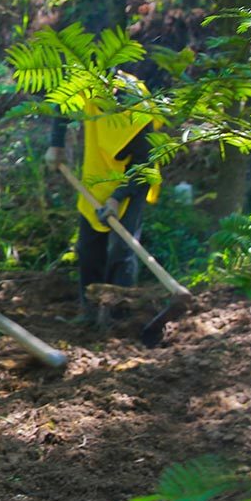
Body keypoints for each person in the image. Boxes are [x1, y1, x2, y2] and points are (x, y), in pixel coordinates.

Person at [45, 69, 163, 323]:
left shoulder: (139, 109)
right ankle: (89, 312)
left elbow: (143, 164)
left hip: (134, 178)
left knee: (122, 248)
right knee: (88, 249)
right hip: (97, 175)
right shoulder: (91, 85)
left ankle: (118, 316)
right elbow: (62, 101)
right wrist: (56, 145)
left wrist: (117, 197)